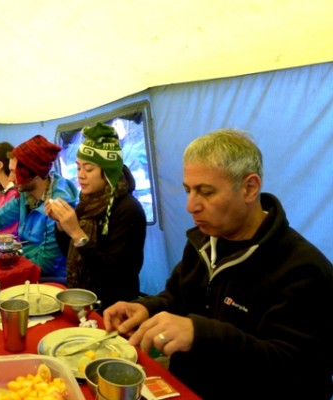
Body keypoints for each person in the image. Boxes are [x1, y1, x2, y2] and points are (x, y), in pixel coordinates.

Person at [103, 129, 333, 399]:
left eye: (206, 192)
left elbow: (298, 372)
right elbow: (177, 296)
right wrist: (146, 308)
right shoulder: (203, 242)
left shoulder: (303, 270)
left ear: (250, 187)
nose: (191, 206)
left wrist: (202, 334)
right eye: (188, 190)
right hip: (185, 388)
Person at [46, 122, 147, 310]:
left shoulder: (129, 210)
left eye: (89, 169)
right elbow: (68, 252)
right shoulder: (87, 203)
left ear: (108, 171)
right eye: (78, 168)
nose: (80, 175)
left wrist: (77, 234)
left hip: (114, 306)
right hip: (83, 300)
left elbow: (115, 274)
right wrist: (61, 225)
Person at [0, 135, 78, 279]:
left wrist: (11, 261)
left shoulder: (58, 206)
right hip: (25, 265)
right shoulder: (26, 195)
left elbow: (47, 264)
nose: (11, 178)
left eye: (14, 172)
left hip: (46, 280)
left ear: (35, 174)